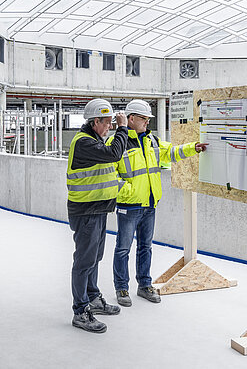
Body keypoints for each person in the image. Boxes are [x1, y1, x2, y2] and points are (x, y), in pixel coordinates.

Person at [106, 99, 207, 306]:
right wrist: (128, 190)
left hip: (149, 205)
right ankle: (122, 288)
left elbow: (171, 153)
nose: (147, 123)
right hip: (129, 205)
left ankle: (144, 285)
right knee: (123, 248)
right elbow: (108, 175)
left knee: (146, 247)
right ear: (131, 119)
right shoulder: (117, 142)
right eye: (144, 118)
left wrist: (193, 148)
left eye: (148, 119)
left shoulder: (152, 141)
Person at [67, 98, 128, 334]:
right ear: (95, 122)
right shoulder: (84, 143)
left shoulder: (93, 140)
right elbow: (114, 153)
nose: (110, 127)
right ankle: (80, 311)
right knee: (84, 261)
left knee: (94, 258)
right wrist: (123, 127)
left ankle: (92, 297)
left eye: (112, 123)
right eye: (107, 123)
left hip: (99, 208)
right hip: (86, 211)